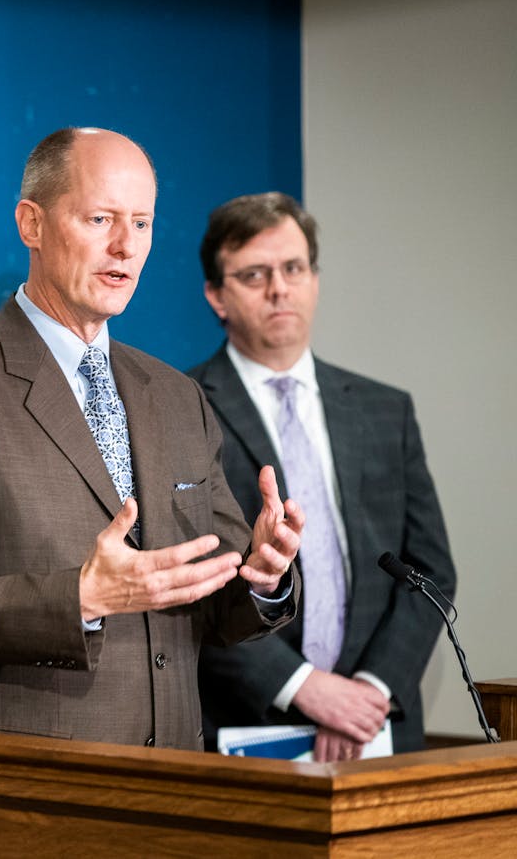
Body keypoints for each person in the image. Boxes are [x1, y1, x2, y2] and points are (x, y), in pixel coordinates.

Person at [0, 127, 304, 818]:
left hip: (173, 801)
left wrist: (264, 573)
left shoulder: (177, 395)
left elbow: (212, 600)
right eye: (100, 219)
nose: (125, 246)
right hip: (24, 804)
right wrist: (80, 597)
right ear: (31, 223)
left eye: (142, 223)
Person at [190, 191, 455, 760]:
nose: (279, 288)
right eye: (254, 274)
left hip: (374, 728)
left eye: (293, 268)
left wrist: (368, 691)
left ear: (315, 278)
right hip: (245, 723)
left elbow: (430, 572)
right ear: (217, 295)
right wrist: (306, 688)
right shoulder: (179, 408)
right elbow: (188, 589)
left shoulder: (387, 412)